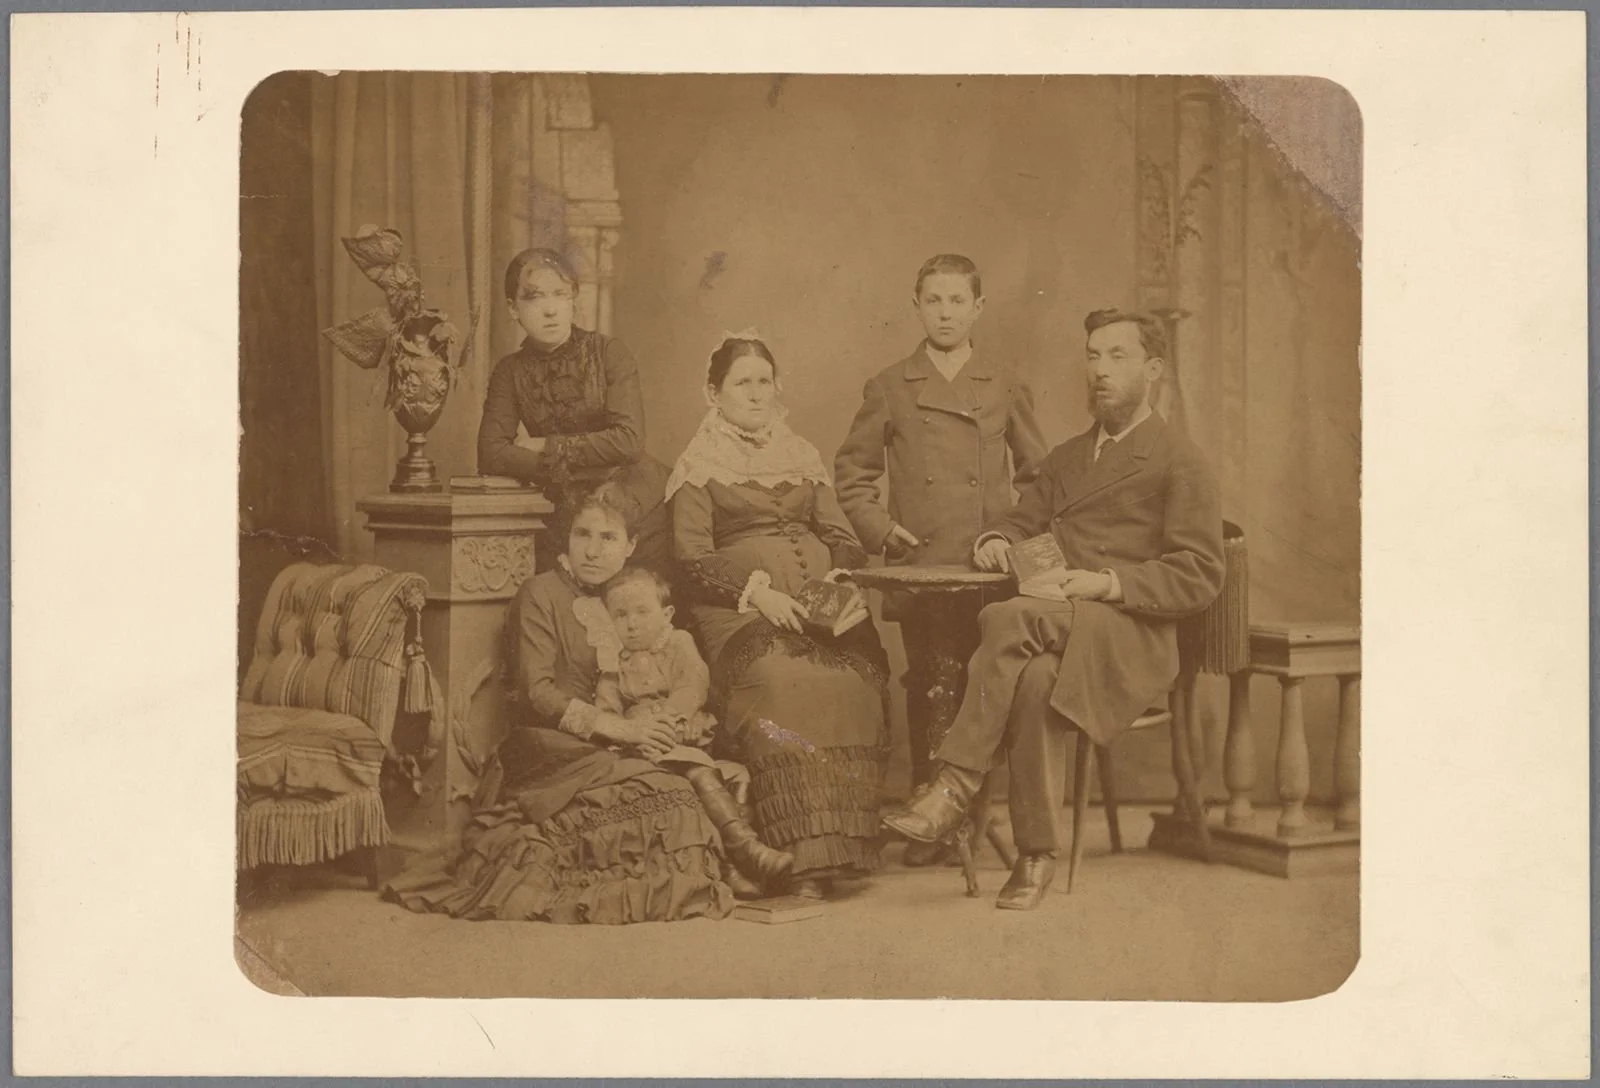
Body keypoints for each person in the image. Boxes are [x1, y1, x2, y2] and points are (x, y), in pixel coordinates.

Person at [881, 309, 1226, 910]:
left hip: (1126, 634)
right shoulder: (1068, 458)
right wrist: (996, 539)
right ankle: (1036, 857)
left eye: (1117, 357)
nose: (1100, 371)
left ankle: (954, 783)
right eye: (1093, 356)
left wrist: (1104, 584)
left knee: (1004, 617)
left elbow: (1199, 575)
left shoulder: (1179, 459)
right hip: (1058, 631)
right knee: (1037, 678)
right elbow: (1022, 518)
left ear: (1154, 371)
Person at [381, 485, 733, 924]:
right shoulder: (540, 594)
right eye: (582, 534)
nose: (592, 550)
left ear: (630, 547)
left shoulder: (627, 602)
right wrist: (620, 729)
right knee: (671, 793)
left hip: (615, 743)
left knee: (681, 782)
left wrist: (654, 723)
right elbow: (537, 692)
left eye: (608, 538)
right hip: (547, 746)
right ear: (566, 539)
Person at [833, 253, 1047, 863]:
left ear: (978, 308)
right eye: (935, 300)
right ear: (917, 307)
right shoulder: (890, 385)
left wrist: (1007, 535)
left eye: (958, 301)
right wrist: (883, 527)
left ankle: (976, 814)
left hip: (985, 569)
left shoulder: (1004, 383)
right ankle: (928, 813)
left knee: (986, 681)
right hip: (921, 564)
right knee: (927, 678)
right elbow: (852, 474)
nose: (946, 312)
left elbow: (1039, 478)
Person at [669, 334, 890, 900]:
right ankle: (800, 858)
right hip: (738, 613)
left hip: (816, 610)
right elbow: (691, 557)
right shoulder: (699, 465)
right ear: (713, 393)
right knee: (786, 682)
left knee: (853, 678)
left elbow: (843, 538)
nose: (755, 393)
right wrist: (756, 592)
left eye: (764, 381)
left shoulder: (801, 455)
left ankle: (846, 848)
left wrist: (835, 583)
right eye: (741, 382)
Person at [477, 247, 674, 578]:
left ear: (573, 300)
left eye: (560, 295)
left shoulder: (610, 353)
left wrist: (546, 446)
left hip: (635, 498)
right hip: (564, 505)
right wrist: (576, 466)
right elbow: (491, 453)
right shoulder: (509, 372)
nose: (550, 310)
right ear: (513, 308)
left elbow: (628, 442)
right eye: (535, 298)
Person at [594, 565, 792, 892]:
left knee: (738, 778)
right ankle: (747, 853)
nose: (631, 623)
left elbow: (692, 686)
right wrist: (632, 731)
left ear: (667, 613)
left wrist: (672, 719)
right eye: (620, 615)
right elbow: (606, 711)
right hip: (644, 748)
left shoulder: (678, 643)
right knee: (700, 776)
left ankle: (730, 868)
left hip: (683, 734)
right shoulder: (612, 663)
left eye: (642, 612)